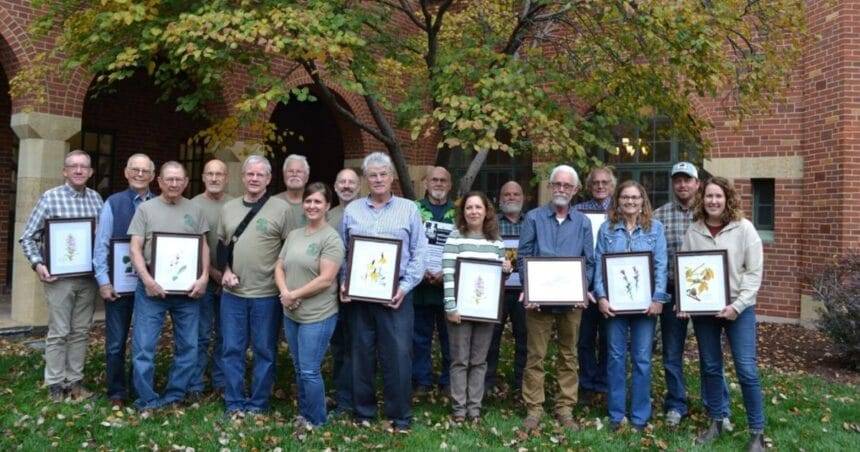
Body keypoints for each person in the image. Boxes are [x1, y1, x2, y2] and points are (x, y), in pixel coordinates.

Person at [340, 151, 428, 432]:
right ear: (366, 179)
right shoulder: (352, 211)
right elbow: (343, 252)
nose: (378, 179)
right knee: (360, 354)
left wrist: (404, 288)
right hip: (359, 296)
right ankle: (363, 412)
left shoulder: (409, 209)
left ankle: (400, 415)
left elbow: (420, 254)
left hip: (396, 296)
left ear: (391, 177)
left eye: (383, 174)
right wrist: (344, 282)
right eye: (372, 175)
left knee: (398, 356)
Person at [679, 177, 765, 452]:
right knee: (711, 367)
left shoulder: (744, 229)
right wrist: (685, 302)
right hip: (705, 312)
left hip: (739, 310)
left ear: (727, 199)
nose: (713, 201)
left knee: (747, 370)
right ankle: (717, 420)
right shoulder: (694, 231)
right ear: (701, 199)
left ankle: (757, 432)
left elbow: (753, 273)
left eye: (718, 196)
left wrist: (737, 306)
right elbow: (687, 273)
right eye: (708, 196)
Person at [19, 150, 104, 402]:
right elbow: (28, 237)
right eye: (73, 166)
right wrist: (38, 265)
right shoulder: (50, 198)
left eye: (83, 167)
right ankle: (56, 384)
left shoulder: (96, 199)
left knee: (80, 331)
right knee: (59, 331)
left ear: (90, 172)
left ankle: (74, 382)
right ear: (64, 171)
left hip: (87, 278)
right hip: (59, 280)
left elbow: (100, 239)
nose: (78, 171)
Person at [128, 161, 209, 411]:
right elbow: (135, 248)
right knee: (144, 347)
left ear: (186, 182)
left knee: (188, 346)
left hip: (187, 292)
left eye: (179, 179)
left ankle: (175, 395)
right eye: (169, 179)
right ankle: (147, 399)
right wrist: (147, 280)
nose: (174, 184)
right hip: (151, 289)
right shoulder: (146, 209)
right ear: (159, 181)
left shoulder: (195, 210)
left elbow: (203, 245)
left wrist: (205, 276)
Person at [518, 165, 594, 432]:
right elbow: (523, 256)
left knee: (568, 355)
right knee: (535, 355)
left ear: (575, 190)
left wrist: (582, 289)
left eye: (567, 185)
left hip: (572, 302)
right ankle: (534, 408)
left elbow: (589, 262)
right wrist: (529, 288)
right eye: (557, 184)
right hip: (539, 301)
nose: (561, 189)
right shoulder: (534, 218)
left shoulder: (583, 223)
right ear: (550, 187)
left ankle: (565, 408)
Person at [593, 180, 669, 431]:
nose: (630, 202)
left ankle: (639, 416)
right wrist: (601, 297)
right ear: (618, 201)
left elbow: (660, 265)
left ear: (643, 201)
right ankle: (616, 415)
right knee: (615, 358)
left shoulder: (655, 229)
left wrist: (658, 298)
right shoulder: (607, 229)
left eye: (635, 198)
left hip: (645, 306)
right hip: (615, 306)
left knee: (642, 359)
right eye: (625, 197)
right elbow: (599, 265)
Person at [219, 155, 290, 415]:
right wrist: (225, 270)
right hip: (233, 295)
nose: (254, 178)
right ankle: (234, 402)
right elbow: (222, 245)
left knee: (264, 351)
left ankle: (258, 403)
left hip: (267, 295)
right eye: (250, 174)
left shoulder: (281, 210)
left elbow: (288, 252)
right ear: (243, 176)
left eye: (260, 175)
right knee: (232, 350)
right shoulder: (228, 208)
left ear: (269, 179)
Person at [275, 182, 345, 427]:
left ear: (327, 206)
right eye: (308, 201)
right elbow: (279, 266)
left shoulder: (331, 238)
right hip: (291, 312)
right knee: (299, 367)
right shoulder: (295, 234)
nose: (312, 206)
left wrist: (294, 295)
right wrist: (285, 292)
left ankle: (316, 421)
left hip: (318, 315)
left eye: (318, 202)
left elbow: (326, 279)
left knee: (309, 370)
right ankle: (304, 414)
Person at [93, 153, 155, 407]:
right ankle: (116, 391)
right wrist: (103, 282)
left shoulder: (160, 203)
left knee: (144, 342)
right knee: (116, 343)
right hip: (118, 287)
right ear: (126, 173)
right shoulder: (113, 203)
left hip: (149, 287)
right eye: (135, 170)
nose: (140, 174)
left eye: (145, 171)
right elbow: (101, 245)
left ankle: (141, 388)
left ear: (153, 175)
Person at [442, 191, 510, 422]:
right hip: (459, 310)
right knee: (460, 360)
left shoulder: (496, 242)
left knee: (479, 361)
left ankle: (475, 409)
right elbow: (448, 272)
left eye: (478, 207)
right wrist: (451, 306)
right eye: (469, 208)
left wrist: (506, 270)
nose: (473, 211)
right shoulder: (455, 237)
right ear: (463, 212)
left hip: (485, 311)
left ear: (486, 211)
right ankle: (459, 409)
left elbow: (499, 278)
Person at [652, 161, 700, 427]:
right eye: (678, 180)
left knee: (710, 352)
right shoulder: (659, 216)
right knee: (672, 352)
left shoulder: (709, 212)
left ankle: (717, 405)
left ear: (697, 183)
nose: (682, 184)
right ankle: (676, 403)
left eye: (687, 179)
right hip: (671, 291)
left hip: (704, 292)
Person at [189, 159, 233, 397]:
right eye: (210, 174)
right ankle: (195, 384)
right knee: (201, 334)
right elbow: (189, 246)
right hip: (201, 281)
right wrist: (212, 274)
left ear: (226, 178)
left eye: (219, 174)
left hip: (230, 282)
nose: (215, 178)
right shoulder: (192, 205)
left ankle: (220, 382)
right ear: (203, 177)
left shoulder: (236, 204)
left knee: (226, 336)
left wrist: (225, 273)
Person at [573, 167, 616, 399]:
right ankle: (587, 384)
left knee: (610, 340)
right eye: (595, 182)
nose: (600, 186)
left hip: (613, 287)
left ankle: (604, 384)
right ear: (589, 186)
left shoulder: (620, 210)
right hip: (583, 285)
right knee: (585, 338)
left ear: (612, 185)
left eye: (605, 182)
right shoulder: (578, 211)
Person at [413, 166, 455, 394]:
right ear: (426, 183)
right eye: (434, 180)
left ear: (450, 185)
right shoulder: (414, 209)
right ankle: (422, 381)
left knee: (450, 340)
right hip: (420, 288)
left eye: (443, 180)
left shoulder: (459, 211)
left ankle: (448, 382)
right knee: (419, 339)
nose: (438, 184)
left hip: (448, 289)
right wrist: (420, 270)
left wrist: (446, 273)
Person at [485, 181, 527, 394]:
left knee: (525, 341)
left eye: (516, 194)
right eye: (507, 194)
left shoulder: (531, 222)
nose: (511, 197)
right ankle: (487, 385)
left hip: (523, 292)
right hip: (496, 291)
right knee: (491, 340)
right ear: (499, 199)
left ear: (523, 197)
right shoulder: (490, 224)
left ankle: (522, 387)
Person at [327, 167, 361, 415]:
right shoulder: (326, 215)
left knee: (358, 347)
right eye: (342, 182)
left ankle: (355, 397)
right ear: (335, 186)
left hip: (359, 292)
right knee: (339, 347)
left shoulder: (365, 213)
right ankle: (342, 397)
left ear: (359, 186)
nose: (347, 186)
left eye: (351, 182)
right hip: (330, 293)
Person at [276, 154, 311, 233]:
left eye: (299, 171)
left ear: (307, 177)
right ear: (284, 175)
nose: (294, 174)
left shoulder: (316, 203)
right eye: (290, 171)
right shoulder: (273, 203)